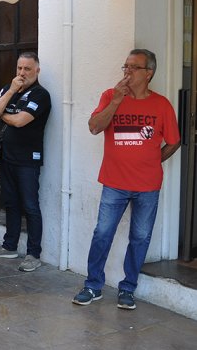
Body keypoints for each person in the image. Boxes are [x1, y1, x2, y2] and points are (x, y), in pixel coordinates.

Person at [72, 49, 180, 310]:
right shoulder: (111, 96)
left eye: (134, 67)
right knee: (102, 234)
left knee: (140, 237)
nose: (127, 72)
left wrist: (153, 161)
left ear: (149, 73)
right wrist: (115, 102)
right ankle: (93, 285)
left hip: (148, 185)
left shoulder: (162, 104)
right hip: (115, 182)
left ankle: (128, 288)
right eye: (125, 67)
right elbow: (94, 126)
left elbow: (175, 142)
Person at [0, 52, 52, 272]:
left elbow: (20, 121)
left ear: (37, 71)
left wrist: (3, 113)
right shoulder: (8, 89)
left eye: (27, 69)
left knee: (30, 206)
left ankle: (34, 253)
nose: (22, 73)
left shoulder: (41, 95)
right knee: (10, 203)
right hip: (7, 156)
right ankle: (9, 245)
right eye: (19, 68)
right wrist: (12, 91)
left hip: (28, 159)